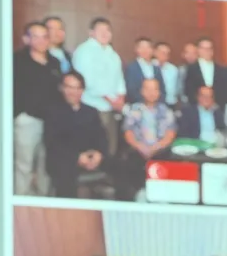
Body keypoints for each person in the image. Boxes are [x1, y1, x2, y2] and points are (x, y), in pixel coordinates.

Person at [13, 21, 62, 196]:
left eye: (45, 37)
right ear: (26, 39)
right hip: (27, 120)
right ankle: (20, 201)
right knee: (24, 164)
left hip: (51, 122)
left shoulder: (54, 62)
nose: (41, 41)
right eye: (36, 37)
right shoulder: (17, 60)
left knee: (46, 165)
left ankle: (42, 200)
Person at [44, 71, 107, 198]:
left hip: (90, 155)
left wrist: (98, 154)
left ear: (82, 90)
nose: (73, 92)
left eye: (77, 88)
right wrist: (77, 157)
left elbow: (102, 137)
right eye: (69, 87)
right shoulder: (53, 111)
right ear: (62, 88)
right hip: (65, 159)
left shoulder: (91, 111)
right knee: (65, 172)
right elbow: (52, 142)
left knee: (120, 167)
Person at [72, 18, 126, 157]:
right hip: (92, 106)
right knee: (93, 148)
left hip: (111, 107)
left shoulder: (112, 53)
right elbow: (86, 80)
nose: (105, 33)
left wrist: (120, 98)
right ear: (91, 33)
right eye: (100, 30)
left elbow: (119, 78)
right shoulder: (84, 51)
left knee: (110, 146)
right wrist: (110, 99)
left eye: (107, 30)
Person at [118, 77, 177, 198]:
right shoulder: (134, 109)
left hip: (160, 151)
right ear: (142, 91)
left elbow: (170, 134)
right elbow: (128, 132)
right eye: (148, 89)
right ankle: (138, 195)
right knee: (127, 163)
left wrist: (156, 147)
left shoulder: (166, 111)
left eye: (154, 89)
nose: (151, 93)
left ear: (159, 92)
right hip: (138, 150)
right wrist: (140, 146)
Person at [184, 36, 227, 104]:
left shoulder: (221, 69)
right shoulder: (191, 69)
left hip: (217, 105)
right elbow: (189, 90)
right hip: (197, 106)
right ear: (198, 50)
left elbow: (224, 90)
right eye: (204, 48)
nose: (207, 51)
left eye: (209, 48)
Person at [124, 37, 159, 104]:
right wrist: (146, 104)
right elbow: (131, 90)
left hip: (156, 107)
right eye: (142, 47)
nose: (145, 50)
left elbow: (162, 89)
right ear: (136, 49)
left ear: (152, 50)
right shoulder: (131, 68)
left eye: (148, 47)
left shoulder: (156, 68)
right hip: (138, 105)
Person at [153, 41, 180, 106]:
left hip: (170, 102)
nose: (165, 55)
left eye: (167, 53)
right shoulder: (149, 67)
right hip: (154, 103)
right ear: (155, 52)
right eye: (162, 53)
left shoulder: (173, 69)